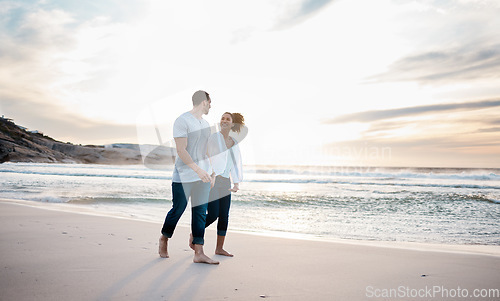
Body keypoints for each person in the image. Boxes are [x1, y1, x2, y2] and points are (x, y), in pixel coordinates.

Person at [159, 90, 219, 264]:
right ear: (204, 102)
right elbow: (181, 150)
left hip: (203, 175)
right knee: (178, 208)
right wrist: (197, 170)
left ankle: (198, 252)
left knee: (200, 212)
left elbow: (208, 150)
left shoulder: (206, 124)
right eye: (210, 102)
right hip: (183, 175)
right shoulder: (182, 120)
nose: (211, 105)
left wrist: (212, 172)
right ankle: (164, 238)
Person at [205, 112, 245, 257]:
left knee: (224, 216)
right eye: (222, 118)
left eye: (227, 119)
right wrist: (210, 175)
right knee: (213, 214)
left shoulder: (234, 142)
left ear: (232, 123)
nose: (224, 120)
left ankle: (219, 248)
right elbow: (207, 156)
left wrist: (236, 182)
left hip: (225, 182)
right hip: (213, 180)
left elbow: (236, 163)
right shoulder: (214, 138)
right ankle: (195, 233)